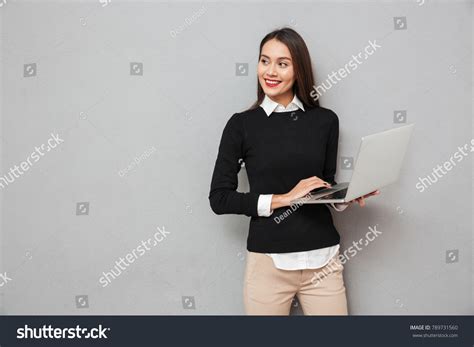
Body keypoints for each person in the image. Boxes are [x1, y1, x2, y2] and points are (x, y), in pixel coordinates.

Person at [208, 27, 379, 315]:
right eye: (264, 61)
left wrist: (341, 198)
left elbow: (323, 183)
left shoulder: (325, 121)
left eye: (282, 63)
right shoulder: (241, 125)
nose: (270, 72)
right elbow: (219, 198)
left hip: (323, 261)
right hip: (268, 264)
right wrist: (284, 199)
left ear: (298, 69)